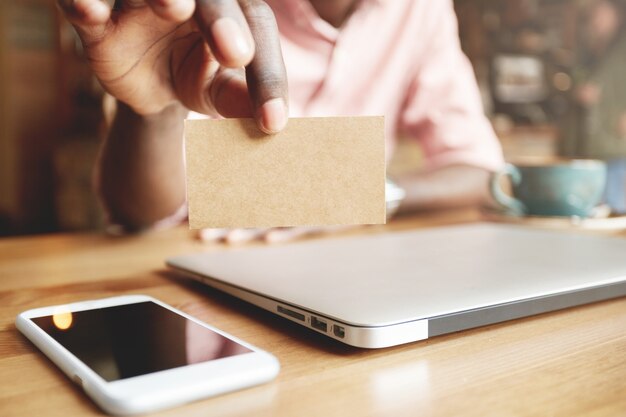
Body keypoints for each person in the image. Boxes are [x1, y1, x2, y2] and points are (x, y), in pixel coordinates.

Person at [59, 0, 504, 243]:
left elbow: (480, 173)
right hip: (199, 263)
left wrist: (357, 192)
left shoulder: (422, 10)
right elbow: (136, 213)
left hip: (349, 257)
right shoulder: (203, 12)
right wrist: (157, 107)